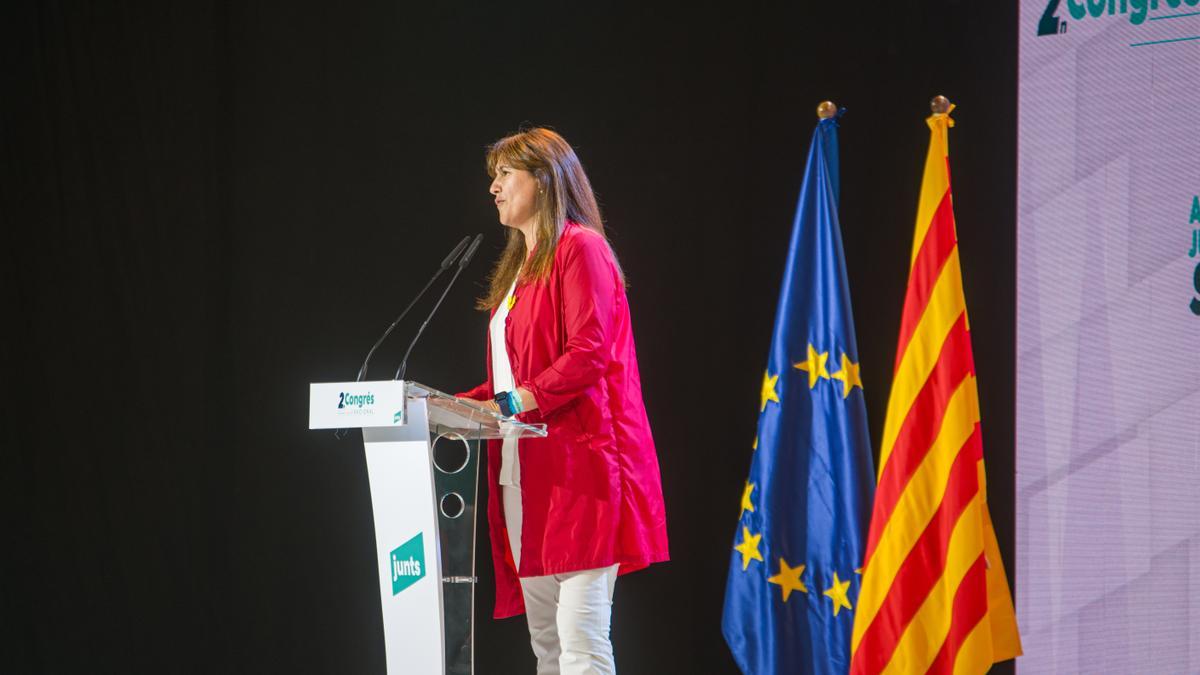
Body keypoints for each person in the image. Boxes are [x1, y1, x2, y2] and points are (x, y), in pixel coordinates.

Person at [456, 127, 669, 675]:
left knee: (581, 642)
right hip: (523, 474)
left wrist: (514, 402)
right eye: (493, 177)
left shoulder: (581, 248)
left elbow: (589, 351)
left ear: (545, 181)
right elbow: (515, 376)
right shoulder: (521, 270)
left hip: (581, 471)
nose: (494, 188)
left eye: (505, 175)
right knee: (547, 646)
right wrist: (452, 407)